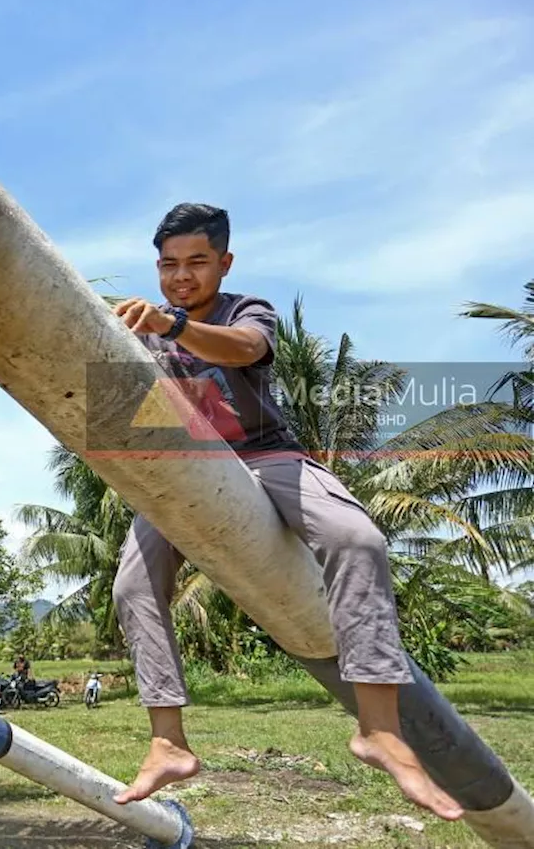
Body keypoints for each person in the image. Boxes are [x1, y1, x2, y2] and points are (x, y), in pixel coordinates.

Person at [107, 203, 463, 822]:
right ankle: (168, 740)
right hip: (184, 470)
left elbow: (244, 351)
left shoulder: (247, 310)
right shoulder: (143, 329)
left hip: (267, 458)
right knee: (132, 584)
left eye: (196, 262)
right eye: (168, 265)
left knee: (358, 540)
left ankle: (379, 729)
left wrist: (171, 325)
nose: (181, 276)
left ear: (224, 262)